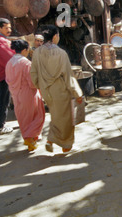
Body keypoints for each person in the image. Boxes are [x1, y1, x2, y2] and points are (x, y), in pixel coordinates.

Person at [30, 25, 83, 153]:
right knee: (66, 119)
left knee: (55, 115)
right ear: (54, 36)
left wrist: (40, 86)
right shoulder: (61, 53)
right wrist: (77, 93)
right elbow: (68, 76)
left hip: (46, 90)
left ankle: (50, 140)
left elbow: (33, 73)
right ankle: (66, 146)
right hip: (60, 90)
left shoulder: (37, 52)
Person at [5, 39, 45, 151]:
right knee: (37, 116)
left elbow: (8, 80)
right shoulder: (26, 63)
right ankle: (30, 139)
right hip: (28, 94)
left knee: (23, 118)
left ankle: (29, 138)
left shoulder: (9, 63)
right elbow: (32, 82)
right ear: (24, 50)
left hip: (15, 94)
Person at [0, 18, 15, 135]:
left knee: (4, 99)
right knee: (3, 100)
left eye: (10, 27)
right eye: (6, 28)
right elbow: (8, 57)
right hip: (3, 74)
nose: (9, 30)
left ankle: (0, 125)